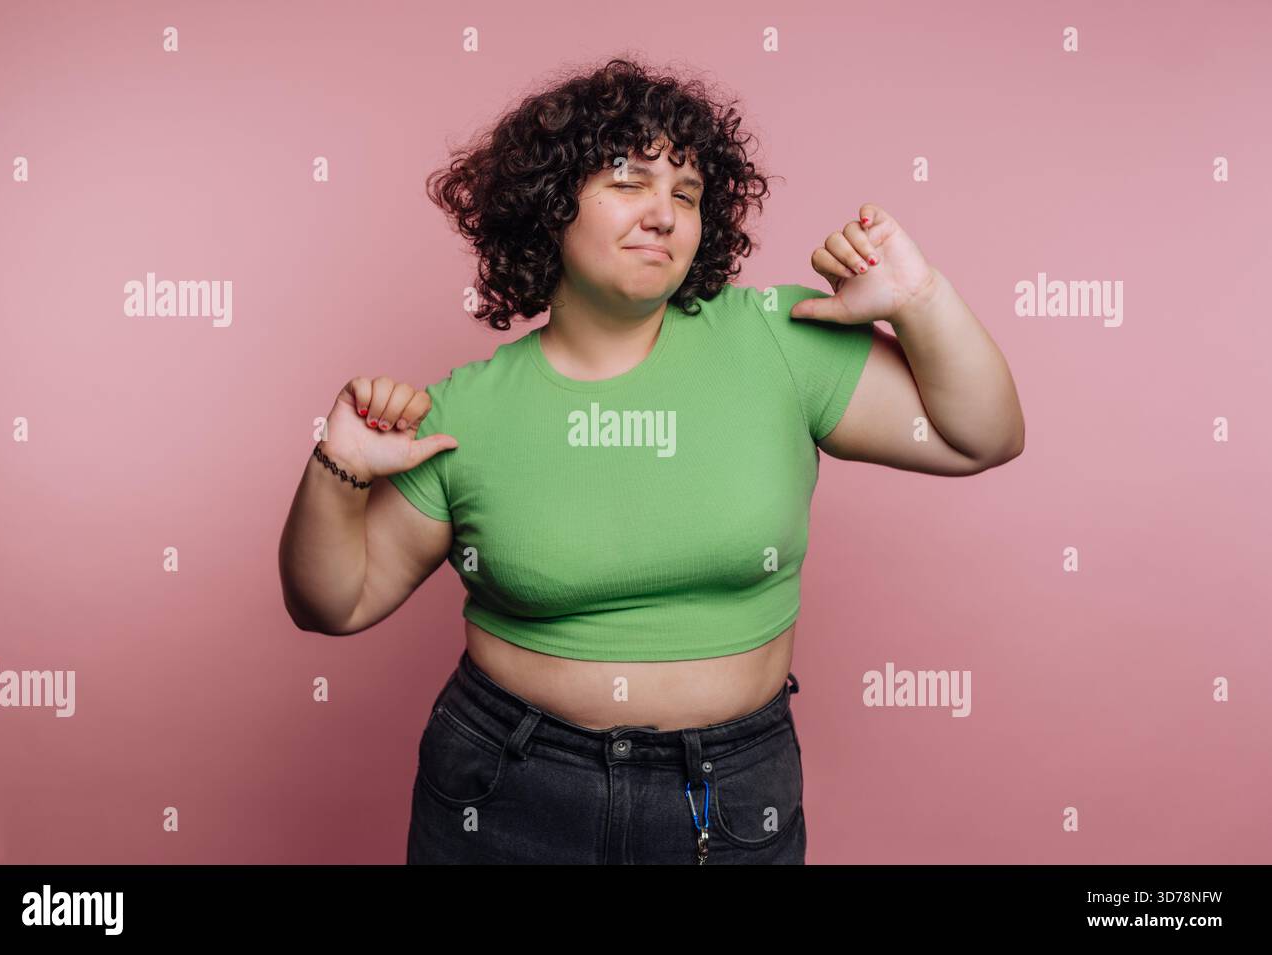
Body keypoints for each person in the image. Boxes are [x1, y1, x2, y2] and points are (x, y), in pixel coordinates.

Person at [278, 57, 1024, 864]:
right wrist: (337, 464)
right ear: (549, 207)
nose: (664, 214)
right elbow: (334, 602)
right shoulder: (467, 408)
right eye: (629, 183)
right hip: (504, 787)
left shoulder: (777, 338)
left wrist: (920, 302)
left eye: (687, 194)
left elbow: (983, 436)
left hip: (726, 794)